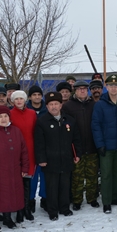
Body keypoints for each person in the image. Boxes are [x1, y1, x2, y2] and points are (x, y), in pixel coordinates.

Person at [0, 106, 30, 231]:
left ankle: (8, 218)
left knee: (11, 195)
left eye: (6, 116)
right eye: (0, 117)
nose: (3, 119)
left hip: (14, 170)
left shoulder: (16, 131)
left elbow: (24, 151)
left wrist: (25, 167)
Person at [34, 92, 81, 220]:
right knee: (52, 187)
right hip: (50, 161)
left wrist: (77, 155)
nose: (54, 107)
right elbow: (39, 143)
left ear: (61, 105)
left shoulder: (69, 120)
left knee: (65, 186)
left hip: (66, 159)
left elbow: (76, 139)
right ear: (47, 106)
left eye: (56, 104)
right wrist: (41, 159)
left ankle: (64, 208)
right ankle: (52, 211)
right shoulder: (42, 121)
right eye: (51, 104)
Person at [92, 75, 117, 214]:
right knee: (107, 174)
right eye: (110, 85)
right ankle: (106, 201)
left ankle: (114, 197)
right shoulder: (100, 105)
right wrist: (100, 144)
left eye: (116, 85)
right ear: (106, 87)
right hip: (106, 146)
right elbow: (96, 125)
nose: (113, 88)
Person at [62, 80, 99, 210]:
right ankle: (77, 200)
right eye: (79, 89)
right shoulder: (68, 106)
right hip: (76, 147)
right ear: (75, 91)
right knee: (77, 177)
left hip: (92, 146)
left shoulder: (94, 105)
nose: (82, 91)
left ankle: (92, 198)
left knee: (92, 175)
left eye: (84, 88)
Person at [10, 90, 38, 222]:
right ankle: (19, 209)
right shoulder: (9, 114)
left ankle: (27, 208)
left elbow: (36, 131)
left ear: (25, 100)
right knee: (17, 182)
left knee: (27, 181)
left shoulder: (32, 113)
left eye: (21, 98)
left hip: (31, 150)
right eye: (16, 99)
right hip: (16, 151)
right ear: (13, 101)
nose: (19, 101)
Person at [26, 85, 48, 213]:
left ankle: (44, 198)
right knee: (32, 176)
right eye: (34, 95)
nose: (37, 97)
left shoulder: (47, 109)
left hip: (45, 147)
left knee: (44, 175)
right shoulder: (26, 109)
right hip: (30, 147)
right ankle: (30, 200)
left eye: (39, 95)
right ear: (30, 97)